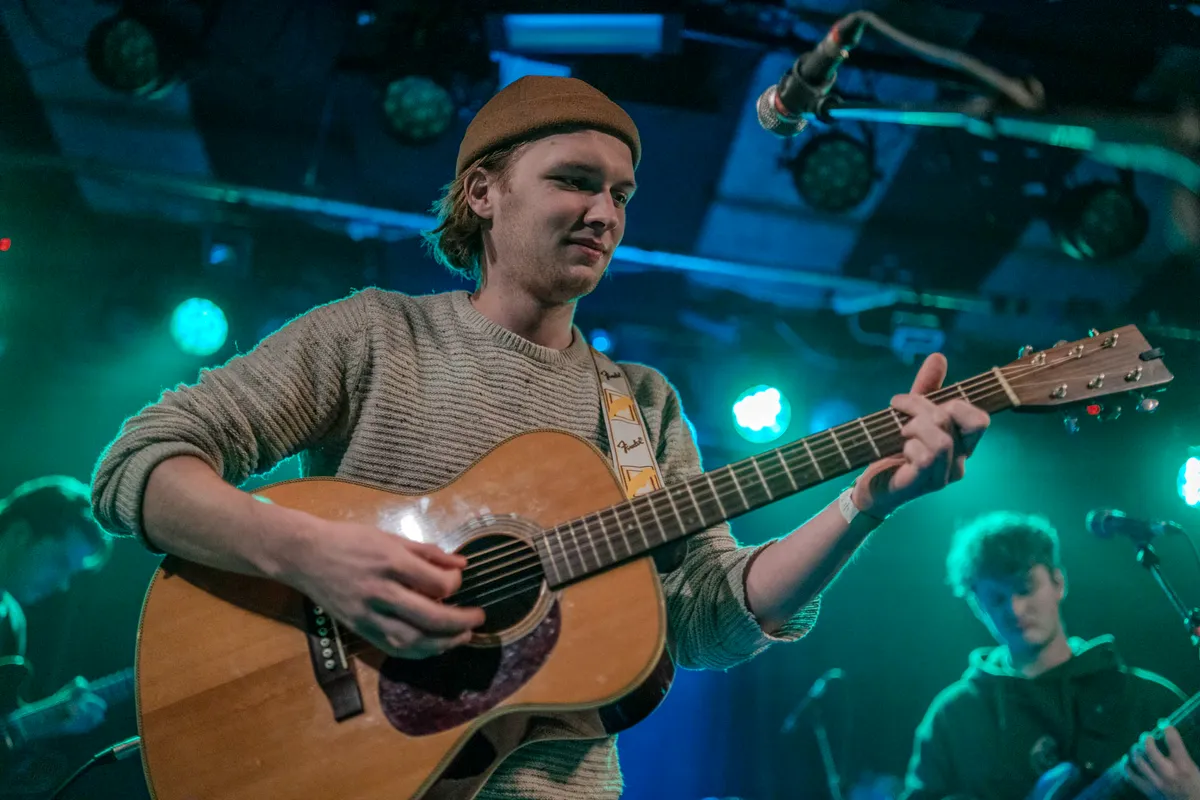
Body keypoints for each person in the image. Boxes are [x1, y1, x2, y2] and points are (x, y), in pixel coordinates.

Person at [91, 75, 990, 799]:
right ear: (483, 191)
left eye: (621, 195)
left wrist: (862, 507)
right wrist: (315, 556)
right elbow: (140, 465)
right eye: (575, 181)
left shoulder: (640, 406)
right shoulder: (376, 335)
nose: (606, 213)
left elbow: (706, 620)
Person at [901, 511, 1200, 800]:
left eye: (1025, 588)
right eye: (997, 599)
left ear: (1059, 583)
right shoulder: (953, 718)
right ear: (978, 608)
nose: (1015, 609)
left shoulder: (1145, 700)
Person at [0, 475, 111, 743]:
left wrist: (49, 720)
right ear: (20, 534)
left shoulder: (12, 623)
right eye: (60, 562)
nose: (62, 584)